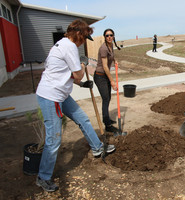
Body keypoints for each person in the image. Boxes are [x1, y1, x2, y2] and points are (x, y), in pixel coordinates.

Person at [35, 19, 116, 192]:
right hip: (52, 97)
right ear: (79, 34)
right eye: (85, 37)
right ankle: (43, 177)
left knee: (82, 118)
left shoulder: (62, 44)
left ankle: (97, 148)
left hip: (60, 94)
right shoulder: (69, 47)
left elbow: (64, 73)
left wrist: (80, 84)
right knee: (54, 139)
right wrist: (83, 64)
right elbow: (78, 74)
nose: (84, 42)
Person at [94, 29, 121, 133]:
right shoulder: (103, 48)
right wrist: (112, 81)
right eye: (107, 35)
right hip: (100, 76)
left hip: (105, 76)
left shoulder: (111, 46)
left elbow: (111, 56)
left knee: (108, 98)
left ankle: (107, 119)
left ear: (113, 36)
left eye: (111, 35)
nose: (109, 37)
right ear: (104, 37)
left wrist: (115, 60)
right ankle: (108, 126)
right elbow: (105, 67)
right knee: (105, 99)